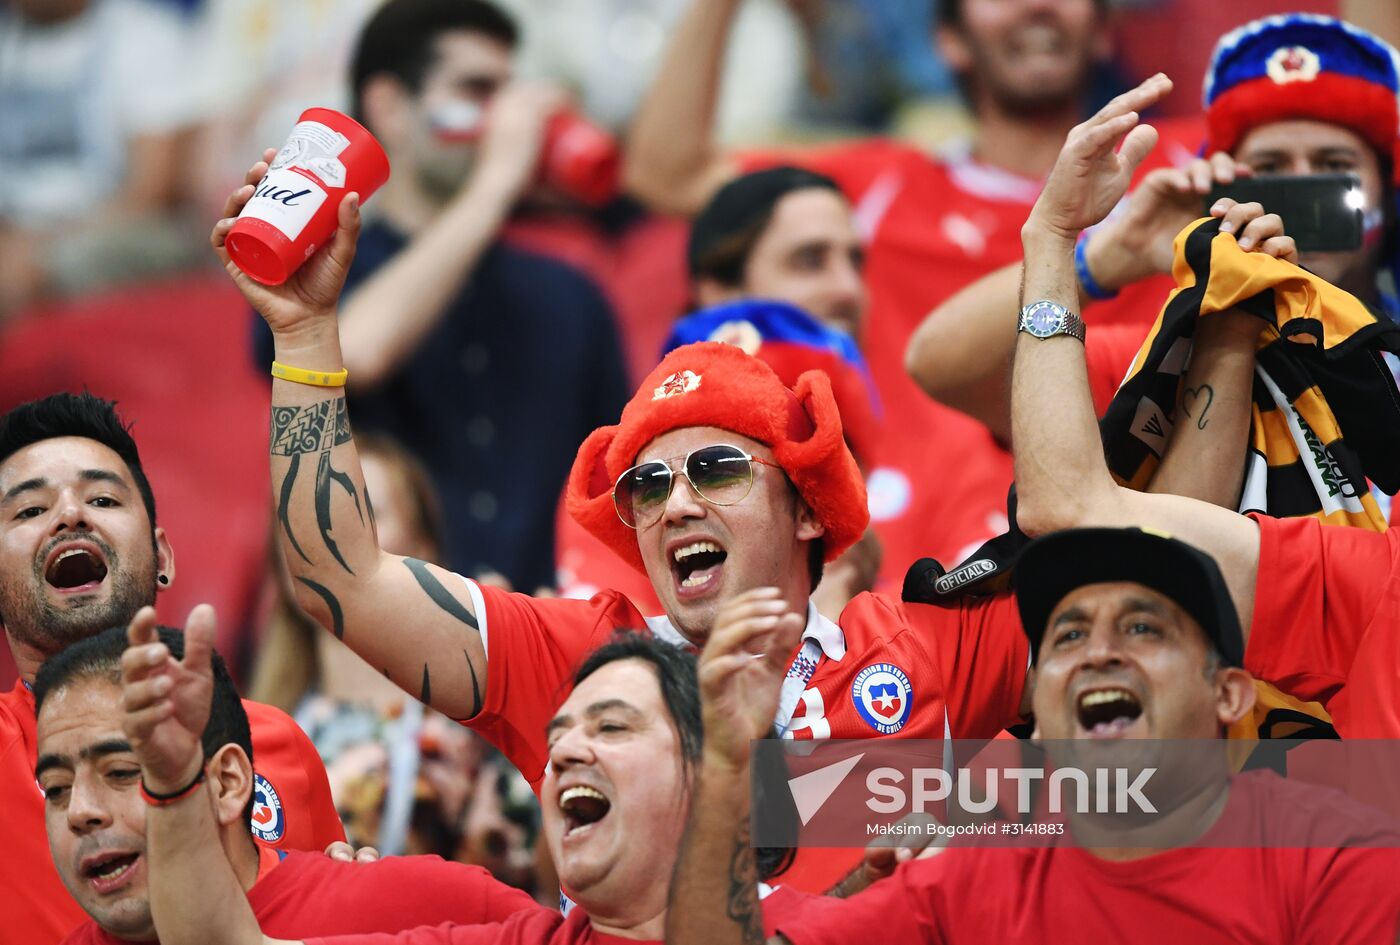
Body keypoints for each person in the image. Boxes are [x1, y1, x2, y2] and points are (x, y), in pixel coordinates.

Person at [622, 0, 1201, 566]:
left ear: (1105, 30)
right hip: (913, 564)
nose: (1037, 7)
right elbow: (666, 171)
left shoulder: (1193, 173)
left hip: (1150, 531)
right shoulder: (879, 190)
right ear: (948, 39)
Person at [674, 528, 1400, 944]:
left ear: (1228, 693)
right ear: (1038, 711)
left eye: (1143, 627)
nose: (1098, 651)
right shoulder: (973, 879)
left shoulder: (1333, 856)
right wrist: (728, 761)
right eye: (1067, 635)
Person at [121, 610, 815, 944]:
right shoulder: (518, 941)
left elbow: (922, 799)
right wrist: (174, 779)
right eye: (557, 736)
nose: (567, 751)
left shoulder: (833, 928)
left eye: (610, 726)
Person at [252, 0, 629, 592]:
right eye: (477, 89)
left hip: (545, 638)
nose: (506, 118)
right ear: (390, 108)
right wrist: (496, 182)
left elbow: (618, 487)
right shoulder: (308, 270)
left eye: (511, 91)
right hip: (367, 638)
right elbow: (355, 352)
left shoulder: (571, 295)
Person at [909, 13, 1400, 445]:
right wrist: (1102, 256)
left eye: (1333, 166)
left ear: (1388, 196)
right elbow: (941, 369)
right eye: (1269, 169)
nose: (1299, 190)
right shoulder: (1165, 365)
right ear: (1222, 193)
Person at [0, 392, 344, 945]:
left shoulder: (275, 742)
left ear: (162, 556)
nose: (70, 515)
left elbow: (322, 906)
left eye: (104, 499)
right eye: (31, 510)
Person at [34, 616, 538, 945]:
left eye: (122, 772)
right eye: (55, 789)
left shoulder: (421, 905)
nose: (80, 811)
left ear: (228, 783)